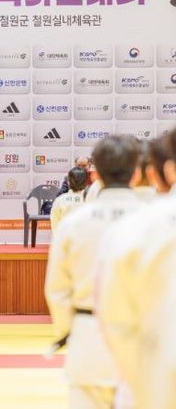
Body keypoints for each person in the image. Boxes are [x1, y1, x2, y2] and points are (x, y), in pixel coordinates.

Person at [45, 135, 142, 409]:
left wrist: (71, 330)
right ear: (137, 171)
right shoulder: (157, 220)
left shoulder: (74, 224)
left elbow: (57, 291)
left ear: (94, 173)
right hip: (142, 344)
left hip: (88, 340)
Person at [96, 132, 176, 409]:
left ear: (166, 171)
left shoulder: (134, 227)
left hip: (157, 370)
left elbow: (114, 315)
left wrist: (139, 377)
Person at [50, 167, 88, 233]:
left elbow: (55, 224)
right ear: (86, 183)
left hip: (63, 237)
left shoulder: (59, 200)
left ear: (68, 182)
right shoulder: (91, 200)